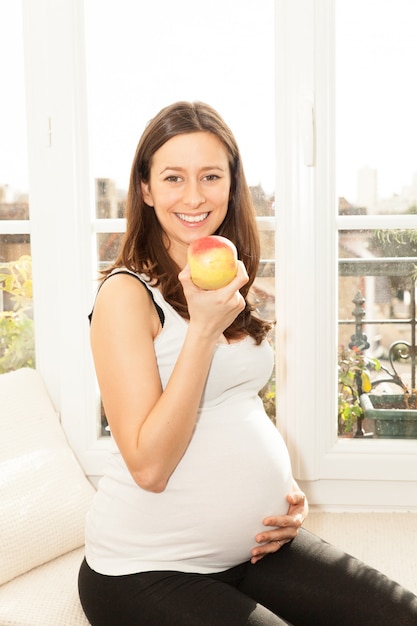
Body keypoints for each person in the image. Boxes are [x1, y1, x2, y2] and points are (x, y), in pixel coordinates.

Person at [78, 101, 417, 626]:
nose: (194, 196)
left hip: (255, 548)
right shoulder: (125, 295)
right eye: (173, 178)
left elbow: (231, 405)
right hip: (144, 569)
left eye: (211, 176)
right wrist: (202, 333)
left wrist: (280, 489)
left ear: (232, 185)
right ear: (145, 190)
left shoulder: (222, 274)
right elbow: (148, 466)